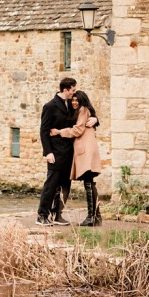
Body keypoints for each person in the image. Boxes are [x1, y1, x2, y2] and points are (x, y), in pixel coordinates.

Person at [50, 89, 102, 226]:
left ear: (82, 101)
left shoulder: (83, 110)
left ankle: (91, 217)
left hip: (86, 150)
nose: (74, 102)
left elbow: (78, 130)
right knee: (90, 183)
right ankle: (95, 218)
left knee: (89, 183)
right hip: (86, 149)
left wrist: (59, 132)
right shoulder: (79, 111)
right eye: (72, 100)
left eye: (76, 100)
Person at [36, 77, 77, 226]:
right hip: (55, 152)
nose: (74, 93)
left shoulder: (71, 105)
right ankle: (41, 215)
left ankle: (57, 214)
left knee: (65, 185)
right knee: (51, 185)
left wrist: (95, 120)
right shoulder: (50, 106)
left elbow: (86, 111)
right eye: (72, 90)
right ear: (65, 90)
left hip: (69, 152)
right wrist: (48, 152)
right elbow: (44, 131)